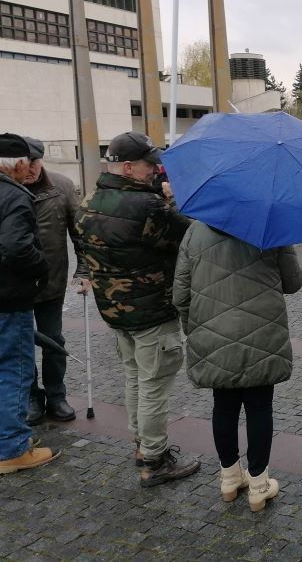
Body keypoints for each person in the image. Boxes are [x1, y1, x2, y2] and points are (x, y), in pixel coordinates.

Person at [76, 131, 201, 485]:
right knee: (154, 385)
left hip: (115, 311)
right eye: (150, 165)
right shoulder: (148, 207)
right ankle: (156, 460)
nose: (155, 171)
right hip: (151, 312)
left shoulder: (89, 201)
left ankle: (141, 445)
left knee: (134, 377)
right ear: (128, 168)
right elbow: (190, 238)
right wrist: (173, 202)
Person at [173, 221, 302, 511]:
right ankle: (259, 485)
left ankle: (230, 478)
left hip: (212, 330)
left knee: (224, 405)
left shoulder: (195, 231)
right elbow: (293, 283)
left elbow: (180, 294)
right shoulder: (273, 226)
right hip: (262, 330)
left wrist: (192, 329)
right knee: (259, 407)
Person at [0, 133, 56, 474]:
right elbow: (16, 247)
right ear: (19, 165)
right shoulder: (13, 196)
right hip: (8, 302)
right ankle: (12, 449)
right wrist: (41, 265)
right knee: (13, 370)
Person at [21, 138, 87, 425]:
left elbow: (80, 232)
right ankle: (31, 398)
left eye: (36, 162)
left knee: (53, 341)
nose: (32, 169)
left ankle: (57, 395)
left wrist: (84, 270)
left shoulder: (61, 186)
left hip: (52, 282)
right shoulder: (6, 189)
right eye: (27, 163)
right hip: (15, 287)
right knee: (21, 345)